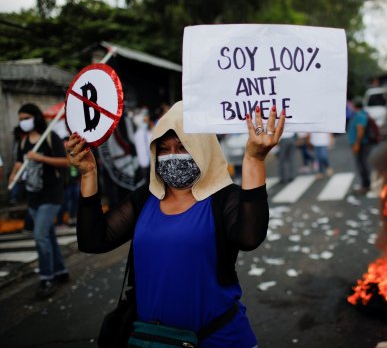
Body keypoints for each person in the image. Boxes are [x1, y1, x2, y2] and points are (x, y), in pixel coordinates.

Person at [68, 101, 285, 348]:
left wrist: (254, 159)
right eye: (164, 148)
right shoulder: (145, 198)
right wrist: (88, 175)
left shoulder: (225, 197)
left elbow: (250, 237)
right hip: (153, 341)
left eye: (183, 146)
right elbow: (93, 240)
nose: (172, 156)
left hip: (218, 339)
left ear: (202, 148)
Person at [8, 103, 70, 299]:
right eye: (21, 119)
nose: (23, 122)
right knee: (48, 235)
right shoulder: (24, 141)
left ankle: (47, 278)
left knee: (40, 235)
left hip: (51, 195)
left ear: (35, 117)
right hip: (33, 196)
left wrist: (40, 158)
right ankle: (61, 271)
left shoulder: (50, 138)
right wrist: (13, 174)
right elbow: (19, 162)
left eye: (26, 117)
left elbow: (66, 161)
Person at [347, 99, 373, 194]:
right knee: (361, 164)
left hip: (361, 145)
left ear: (355, 106)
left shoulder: (360, 115)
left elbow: (360, 130)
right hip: (360, 144)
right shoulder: (359, 114)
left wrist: (357, 144)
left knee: (362, 165)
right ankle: (365, 184)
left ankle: (366, 185)